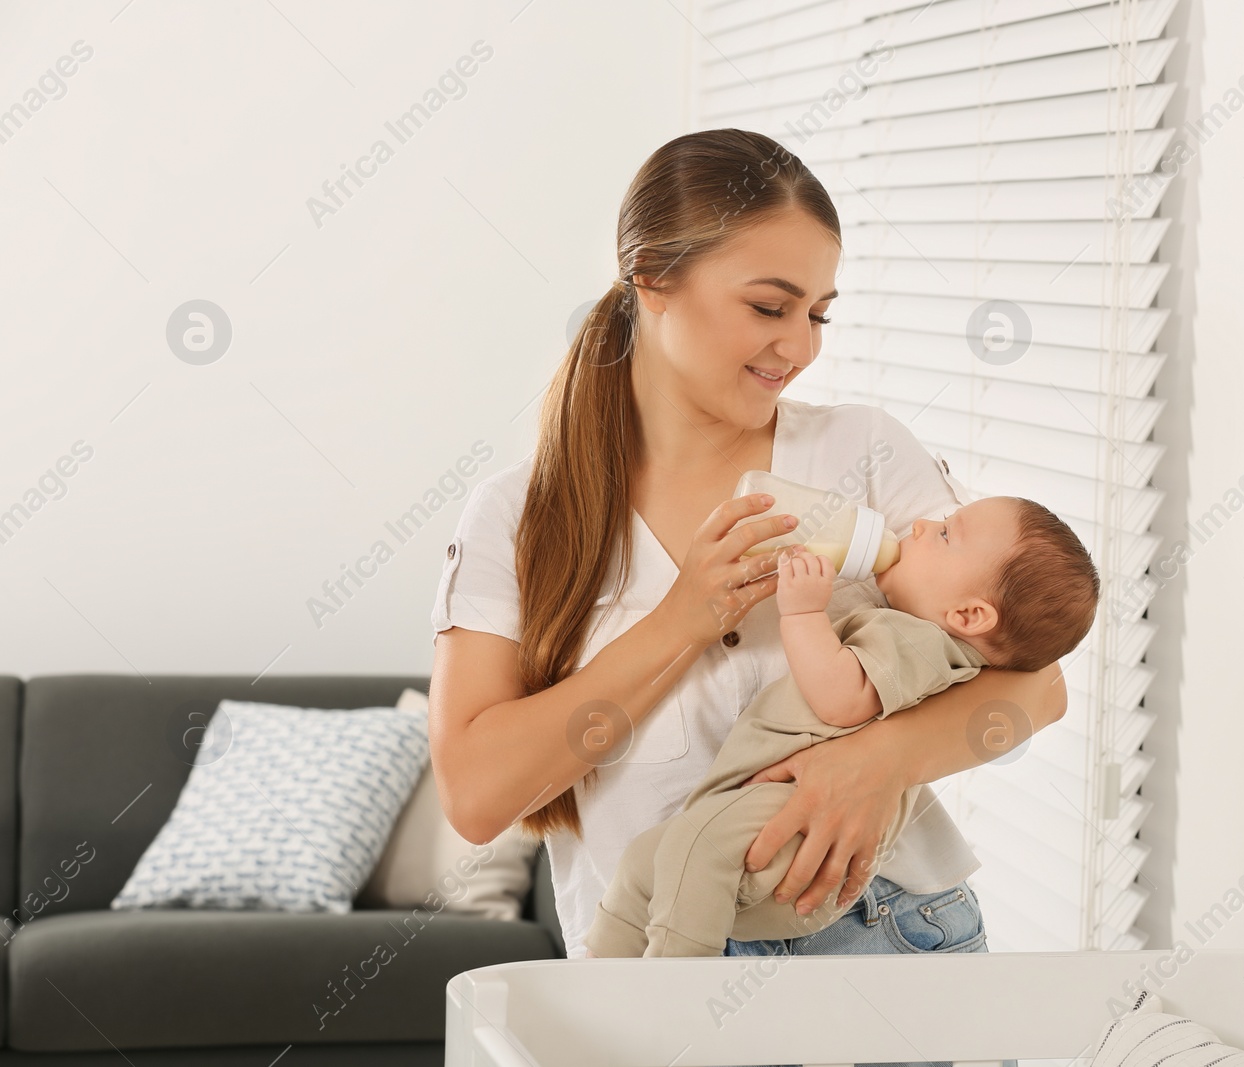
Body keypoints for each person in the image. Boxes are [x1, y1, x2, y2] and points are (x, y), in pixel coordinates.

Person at [428, 128, 1064, 1067]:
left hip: (885, 944)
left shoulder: (863, 453)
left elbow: (1031, 691)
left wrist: (876, 760)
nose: (797, 346)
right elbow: (478, 795)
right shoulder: (518, 517)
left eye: (820, 313)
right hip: (657, 970)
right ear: (651, 276)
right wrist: (683, 619)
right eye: (770, 305)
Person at [586, 494, 1099, 957]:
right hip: (790, 821)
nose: (919, 524)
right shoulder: (924, 641)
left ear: (967, 615)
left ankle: (669, 994)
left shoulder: (921, 642)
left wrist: (802, 611)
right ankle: (610, 980)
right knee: (645, 862)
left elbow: (841, 699)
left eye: (945, 534)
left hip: (801, 804)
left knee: (696, 848)